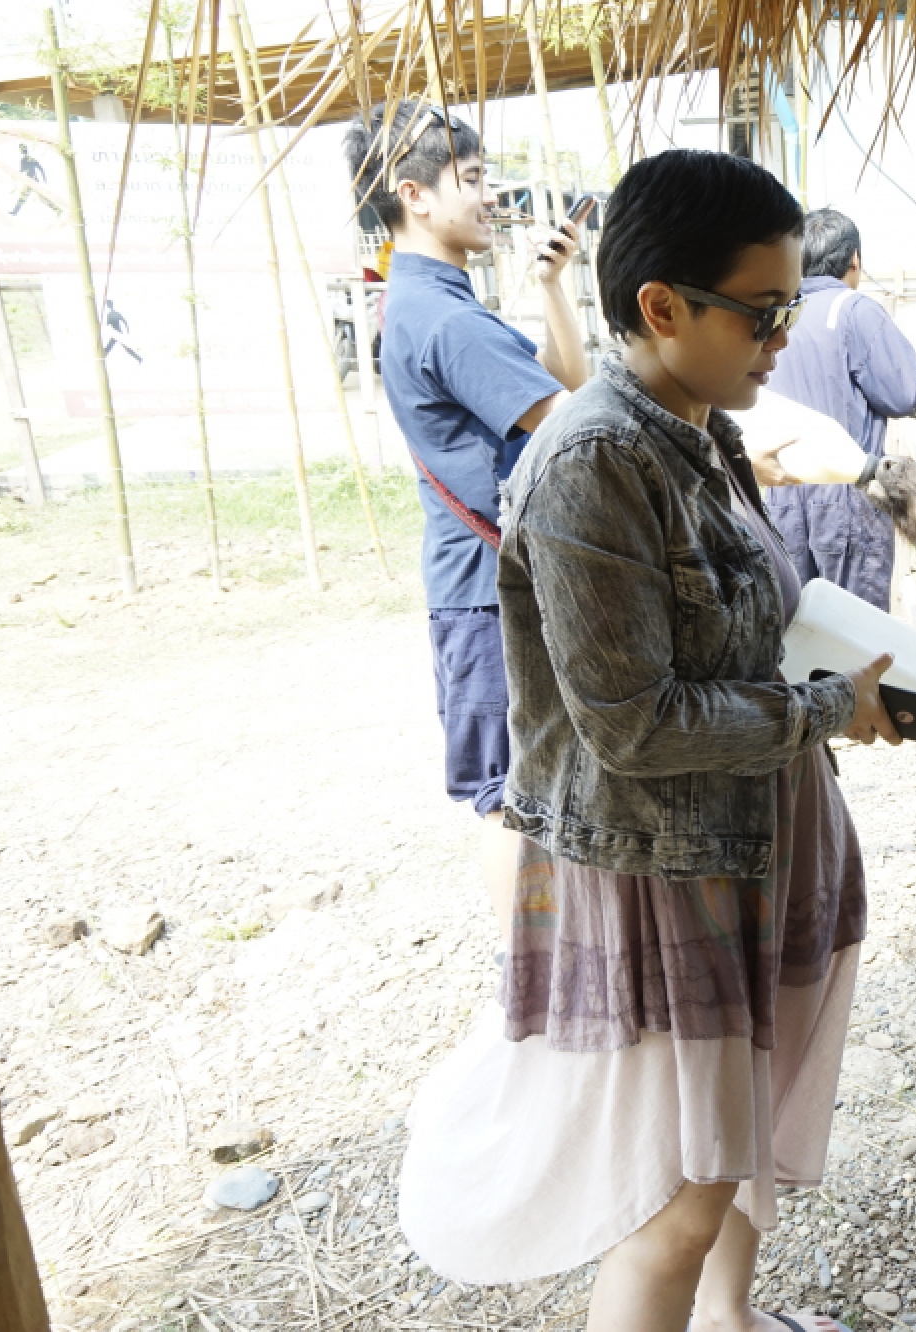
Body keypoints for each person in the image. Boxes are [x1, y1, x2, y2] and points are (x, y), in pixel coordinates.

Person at [395, 148, 898, 1332]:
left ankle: (730, 1319)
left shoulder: (700, 430)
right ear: (662, 307)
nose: (783, 337)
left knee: (731, 1134)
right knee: (675, 1197)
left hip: (741, 837)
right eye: (762, 312)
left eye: (790, 306)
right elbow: (633, 724)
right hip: (665, 868)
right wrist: (828, 709)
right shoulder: (593, 461)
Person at [342, 102, 586, 928]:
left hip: (485, 584)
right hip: (490, 594)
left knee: (526, 783)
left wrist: (551, 287)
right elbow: (576, 423)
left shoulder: (429, 302)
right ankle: (535, 963)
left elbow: (562, 385)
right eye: (473, 178)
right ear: (414, 195)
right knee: (511, 794)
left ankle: (544, 958)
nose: (490, 196)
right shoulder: (444, 317)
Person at [763, 207, 916, 611]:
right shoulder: (853, 309)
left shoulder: (779, 314)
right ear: (854, 260)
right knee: (856, 627)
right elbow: (906, 395)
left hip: (782, 495)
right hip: (846, 496)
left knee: (797, 622)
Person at [100, 299, 141, 364]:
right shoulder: (109, 315)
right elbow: (108, 324)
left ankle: (138, 358)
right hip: (114, 334)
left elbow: (124, 321)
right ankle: (102, 356)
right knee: (110, 346)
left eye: (109, 305)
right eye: (108, 305)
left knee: (125, 347)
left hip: (118, 333)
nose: (109, 306)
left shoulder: (114, 313)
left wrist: (127, 330)